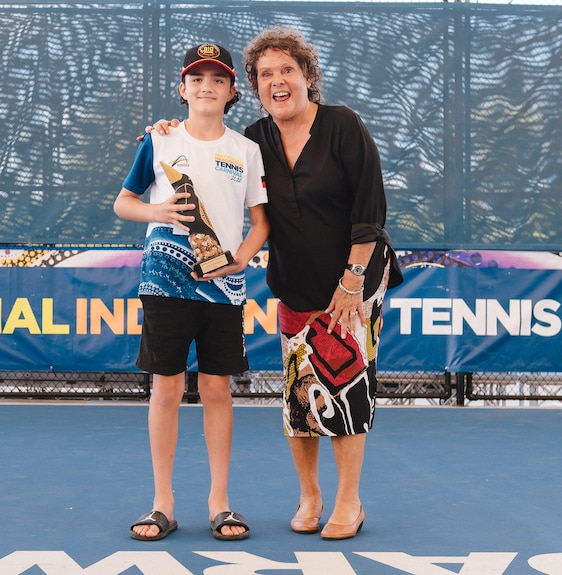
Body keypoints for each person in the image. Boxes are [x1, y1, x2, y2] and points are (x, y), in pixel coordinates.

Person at [148, 26, 402, 541]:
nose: (277, 81)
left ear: (308, 77)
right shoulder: (254, 140)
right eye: (266, 74)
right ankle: (310, 496)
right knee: (300, 397)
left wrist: (352, 282)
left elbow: (370, 213)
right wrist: (169, 130)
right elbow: (205, 145)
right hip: (294, 285)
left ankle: (349, 501)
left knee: (346, 389)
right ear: (256, 87)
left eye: (287, 70)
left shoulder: (343, 126)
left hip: (353, 282)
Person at [114, 41, 269, 542]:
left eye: (218, 79)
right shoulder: (158, 142)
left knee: (217, 389)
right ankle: (162, 503)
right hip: (164, 282)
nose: (207, 87)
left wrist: (238, 259)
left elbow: (260, 222)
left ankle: (220, 503)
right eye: (197, 79)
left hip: (223, 288)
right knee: (166, 388)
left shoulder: (246, 151)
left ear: (231, 92)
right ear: (182, 89)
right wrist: (156, 213)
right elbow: (124, 203)